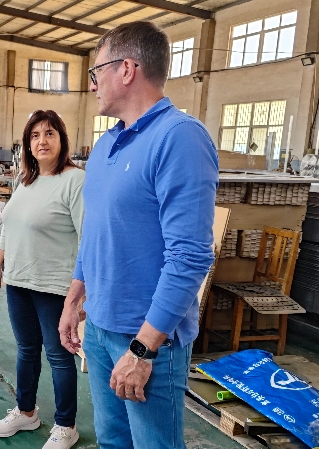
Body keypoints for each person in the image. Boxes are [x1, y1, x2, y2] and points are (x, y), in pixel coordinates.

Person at [57, 21, 218, 449]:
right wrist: (74, 300)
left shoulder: (179, 138)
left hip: (148, 341)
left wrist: (143, 349)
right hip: (99, 328)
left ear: (127, 69)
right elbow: (95, 233)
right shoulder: (106, 145)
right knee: (112, 442)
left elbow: (190, 257)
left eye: (97, 72)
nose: (92, 85)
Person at [0, 110, 85, 449]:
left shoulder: (75, 180)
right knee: (27, 350)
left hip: (53, 285)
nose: (42, 141)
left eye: (49, 133)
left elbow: (88, 239)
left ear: (62, 140)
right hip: (18, 280)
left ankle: (66, 425)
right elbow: (8, 227)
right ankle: (26, 412)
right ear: (27, 144)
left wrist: (79, 295)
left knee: (59, 356)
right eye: (35, 135)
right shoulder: (25, 180)